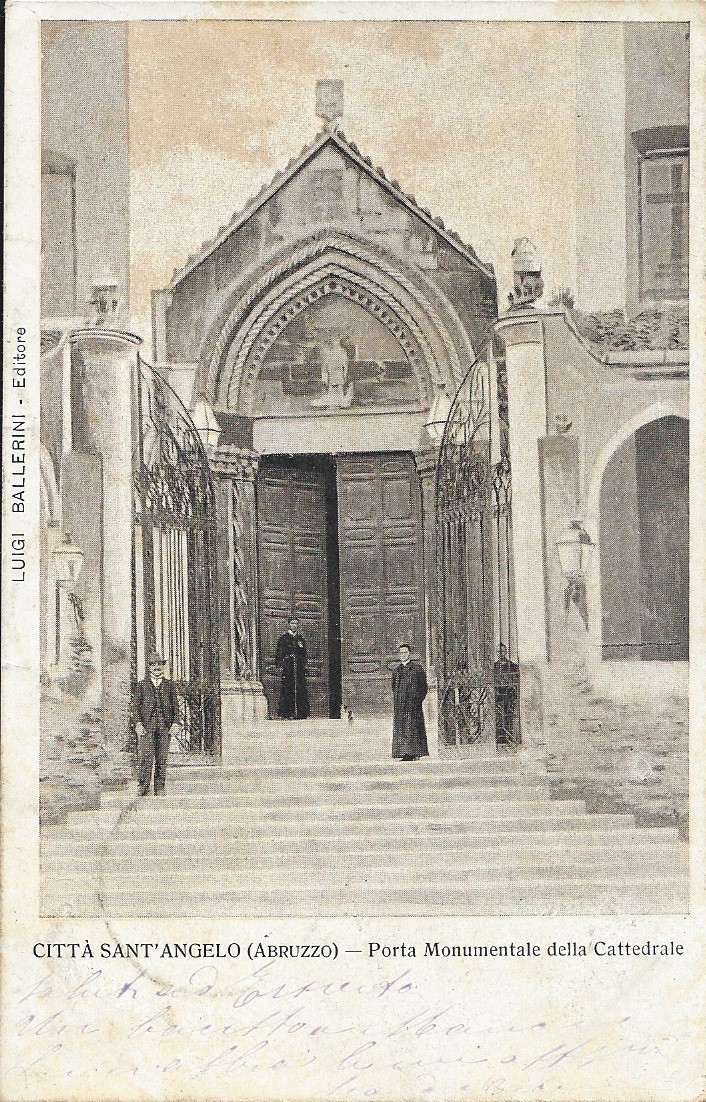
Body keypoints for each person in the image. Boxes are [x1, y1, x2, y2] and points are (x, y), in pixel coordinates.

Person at [132, 651, 181, 796]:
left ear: (163, 667)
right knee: (145, 757)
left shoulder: (169, 685)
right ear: (149, 667)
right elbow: (135, 707)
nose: (156, 667)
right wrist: (138, 724)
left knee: (162, 758)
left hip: (164, 726)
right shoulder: (141, 685)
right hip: (147, 727)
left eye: (159, 664)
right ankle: (143, 787)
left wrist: (176, 723)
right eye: (153, 665)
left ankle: (159, 788)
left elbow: (175, 706)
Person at [391, 643, 429, 761]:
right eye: (401, 653)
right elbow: (394, 688)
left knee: (413, 728)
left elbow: (424, 687)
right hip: (400, 707)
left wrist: (416, 701)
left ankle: (414, 753)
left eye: (405, 653)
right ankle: (402, 752)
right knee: (401, 728)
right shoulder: (396, 671)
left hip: (413, 706)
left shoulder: (417, 669)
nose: (403, 655)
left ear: (409, 654)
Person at [275, 617, 310, 719]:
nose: (294, 625)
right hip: (288, 667)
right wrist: (280, 665)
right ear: (289, 624)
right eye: (292, 623)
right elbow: (279, 653)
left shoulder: (300, 639)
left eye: (296, 623)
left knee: (300, 688)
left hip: (298, 668)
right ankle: (287, 713)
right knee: (287, 688)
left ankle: (300, 713)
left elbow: (304, 654)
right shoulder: (283, 638)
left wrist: (304, 665)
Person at [493, 643, 520, 745]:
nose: (501, 653)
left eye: (503, 651)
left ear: (506, 652)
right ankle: (500, 739)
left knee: (509, 717)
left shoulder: (512, 666)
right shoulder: (494, 666)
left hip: (509, 696)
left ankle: (510, 738)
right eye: (499, 652)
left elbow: (515, 680)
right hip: (498, 696)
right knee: (499, 718)